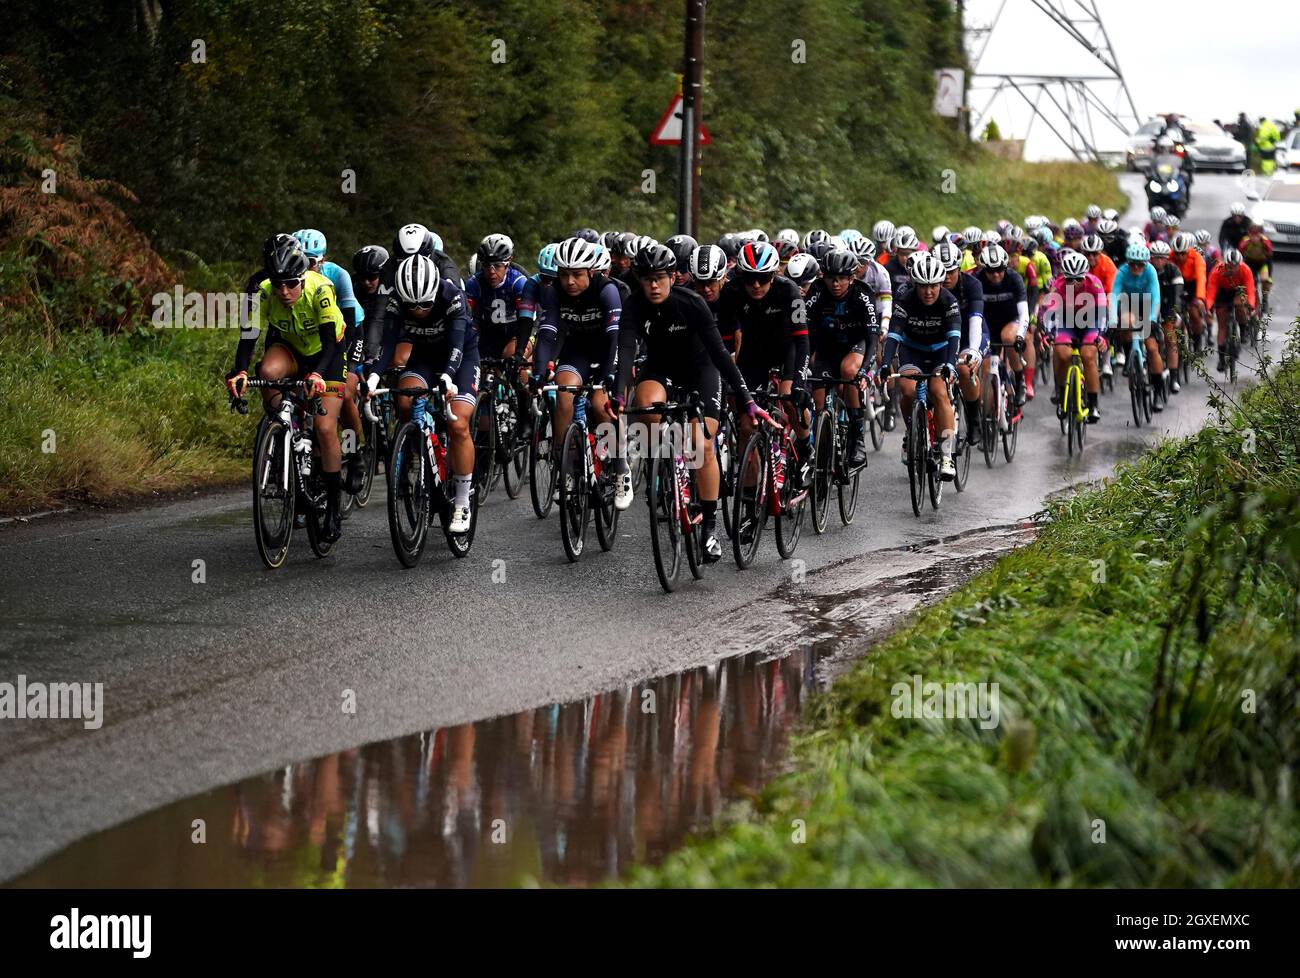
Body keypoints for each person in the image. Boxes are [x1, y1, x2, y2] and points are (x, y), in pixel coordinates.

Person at [613, 244, 772, 562]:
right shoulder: (633, 305)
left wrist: (748, 400)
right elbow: (627, 350)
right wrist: (618, 395)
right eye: (647, 279)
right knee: (645, 405)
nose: (654, 286)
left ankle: (710, 530)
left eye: (660, 278)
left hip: (702, 369)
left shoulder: (692, 303)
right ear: (640, 281)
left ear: (673, 277)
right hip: (660, 369)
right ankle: (666, 465)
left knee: (701, 445)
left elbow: (720, 357)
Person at [227, 235, 349, 541]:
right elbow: (248, 337)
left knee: (323, 427)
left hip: (327, 355)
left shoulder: (320, 289)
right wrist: (240, 371)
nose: (284, 291)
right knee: (267, 372)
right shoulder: (261, 292)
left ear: (303, 276)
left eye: (291, 283)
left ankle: (333, 504)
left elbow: (331, 344)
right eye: (278, 283)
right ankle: (282, 435)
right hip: (291, 350)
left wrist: (319, 374)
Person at [370, 255, 479, 533]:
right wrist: (372, 378)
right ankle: (412, 447)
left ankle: (463, 503)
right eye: (412, 305)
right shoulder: (396, 298)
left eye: (425, 304)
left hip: (461, 358)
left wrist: (448, 378)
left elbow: (456, 346)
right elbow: (387, 344)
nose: (418, 310)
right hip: (424, 358)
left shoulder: (451, 296)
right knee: (404, 398)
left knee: (458, 423)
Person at [531, 236, 630, 509]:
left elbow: (614, 337)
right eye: (564, 275)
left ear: (591, 272)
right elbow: (548, 334)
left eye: (577, 275)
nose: (570, 281)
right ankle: (567, 467)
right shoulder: (553, 292)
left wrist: (608, 376)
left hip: (608, 349)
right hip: (578, 350)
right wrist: (540, 373)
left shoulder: (606, 290)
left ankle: (621, 468)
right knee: (563, 394)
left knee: (602, 406)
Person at [880, 252, 961, 481]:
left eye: (934, 285)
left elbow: (955, 337)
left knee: (938, 391)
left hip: (940, 351)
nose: (928, 292)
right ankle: (913, 430)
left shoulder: (949, 301)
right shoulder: (905, 299)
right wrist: (886, 364)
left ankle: (946, 456)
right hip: (913, 349)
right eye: (923, 286)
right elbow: (894, 336)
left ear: (940, 283)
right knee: (907, 389)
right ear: (914, 284)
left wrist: (951, 365)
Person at [803, 249, 880, 467]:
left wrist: (864, 369)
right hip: (827, 348)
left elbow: (872, 337)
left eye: (841, 279)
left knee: (849, 371)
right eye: (830, 278)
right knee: (817, 400)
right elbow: (805, 331)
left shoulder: (863, 294)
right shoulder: (816, 292)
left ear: (851, 278)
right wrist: (804, 363)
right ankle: (819, 444)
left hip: (855, 345)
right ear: (823, 277)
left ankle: (857, 439)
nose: (835, 283)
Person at [1042, 250, 1106, 424]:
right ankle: (1062, 395)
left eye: (1079, 278)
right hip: (1067, 323)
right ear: (1064, 277)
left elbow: (1102, 313)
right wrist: (1048, 333)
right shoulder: (1058, 285)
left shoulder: (1095, 284)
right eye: (1070, 279)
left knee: (1088, 355)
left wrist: (1101, 336)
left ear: (1086, 275)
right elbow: (1049, 312)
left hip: (1090, 323)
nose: (1075, 283)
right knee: (1062, 353)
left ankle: (1093, 404)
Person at [1205, 248, 1256, 372]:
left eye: (1235, 266)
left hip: (1239, 289)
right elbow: (1211, 292)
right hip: (1222, 292)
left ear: (1240, 264)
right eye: (1229, 266)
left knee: (1240, 305)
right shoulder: (1217, 271)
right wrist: (1209, 307)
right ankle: (1222, 359)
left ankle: (1243, 329)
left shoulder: (1245, 270)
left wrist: (1251, 307)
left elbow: (1250, 290)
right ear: (1225, 264)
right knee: (1222, 324)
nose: (1232, 269)